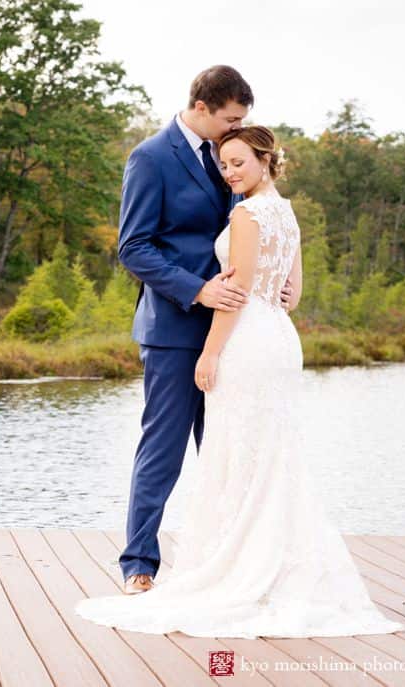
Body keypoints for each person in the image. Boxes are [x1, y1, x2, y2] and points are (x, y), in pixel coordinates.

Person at [73, 125, 405, 638]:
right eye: (224, 163)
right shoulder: (281, 209)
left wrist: (209, 353)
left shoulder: (248, 213)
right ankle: (230, 565)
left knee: (238, 455)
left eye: (238, 163)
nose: (228, 172)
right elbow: (289, 288)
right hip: (271, 336)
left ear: (266, 160)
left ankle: (238, 569)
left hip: (244, 340)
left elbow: (238, 293)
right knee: (262, 456)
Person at [111, 65, 292, 595]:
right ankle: (139, 564)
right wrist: (197, 289)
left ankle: (232, 565)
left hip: (234, 334)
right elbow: (133, 247)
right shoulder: (150, 157)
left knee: (228, 452)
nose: (237, 127)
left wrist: (272, 285)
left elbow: (253, 233)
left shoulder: (230, 159)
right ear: (204, 107)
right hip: (173, 328)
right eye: (232, 117)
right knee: (162, 450)